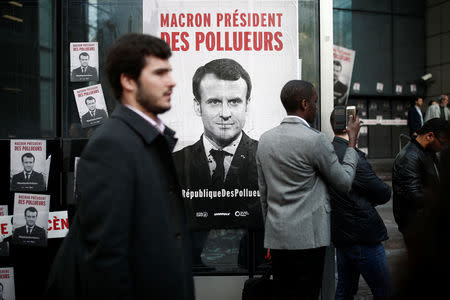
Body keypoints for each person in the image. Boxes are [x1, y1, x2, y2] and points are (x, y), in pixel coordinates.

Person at [45, 33, 194, 300]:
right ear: (128, 81)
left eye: (169, 72)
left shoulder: (148, 139)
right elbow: (105, 262)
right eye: (159, 73)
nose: (171, 81)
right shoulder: (112, 145)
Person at [256, 80, 360, 300]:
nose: (316, 107)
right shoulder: (316, 140)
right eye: (314, 102)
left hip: (278, 238)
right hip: (309, 241)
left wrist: (272, 231)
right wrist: (351, 143)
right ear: (304, 104)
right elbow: (343, 183)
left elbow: (263, 195)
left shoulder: (265, 140)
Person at [173, 58, 260, 269]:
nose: (225, 113)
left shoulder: (265, 157)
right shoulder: (175, 163)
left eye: (234, 101)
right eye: (214, 102)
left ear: (247, 104)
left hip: (250, 263)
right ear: (197, 106)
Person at [329, 109, 392, 300]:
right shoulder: (350, 155)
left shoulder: (328, 151)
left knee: (345, 290)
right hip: (363, 237)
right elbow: (382, 192)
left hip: (342, 234)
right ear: (352, 125)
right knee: (384, 291)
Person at [392, 118, 449, 247]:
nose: (443, 148)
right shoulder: (409, 157)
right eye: (442, 143)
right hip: (416, 226)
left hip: (427, 222)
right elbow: (414, 195)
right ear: (430, 136)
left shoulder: (428, 151)